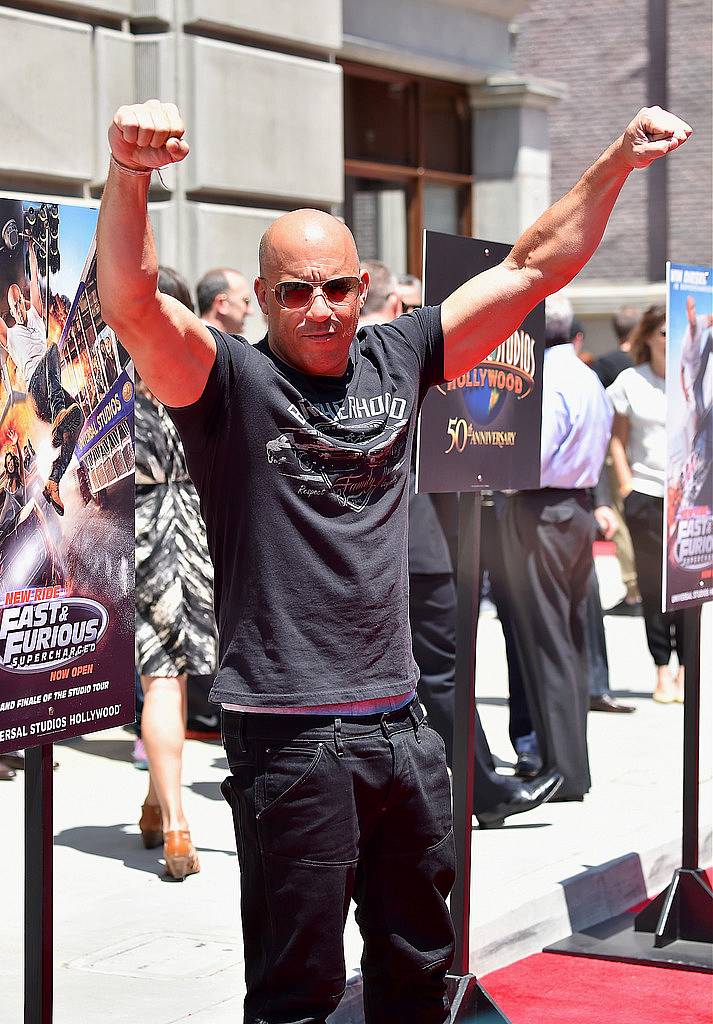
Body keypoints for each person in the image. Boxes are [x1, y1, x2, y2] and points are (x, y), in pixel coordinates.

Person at [97, 98, 690, 1024]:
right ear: (261, 299)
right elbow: (132, 304)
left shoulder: (399, 352)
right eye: (294, 292)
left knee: (417, 966)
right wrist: (130, 171)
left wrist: (616, 156)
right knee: (296, 992)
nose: (320, 309)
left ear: (362, 282)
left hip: (401, 726)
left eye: (335, 286)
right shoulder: (230, 383)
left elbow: (532, 265)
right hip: (289, 738)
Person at [360, 262, 563, 823]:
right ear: (398, 306)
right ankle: (481, 789)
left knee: (421, 677)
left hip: (397, 544)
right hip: (415, 545)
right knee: (442, 672)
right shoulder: (401, 360)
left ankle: (469, 781)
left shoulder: (347, 360)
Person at [501, 294, 614, 801]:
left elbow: (531, 457)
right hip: (576, 509)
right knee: (568, 639)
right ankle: (572, 765)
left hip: (543, 510)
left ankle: (562, 770)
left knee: (548, 641)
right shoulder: (586, 374)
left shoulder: (550, 380)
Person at [134, 265, 218, 880]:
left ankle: (176, 820)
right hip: (193, 524)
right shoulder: (199, 370)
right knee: (177, 678)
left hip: (136, 527)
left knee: (159, 681)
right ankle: (158, 806)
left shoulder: (112, 380)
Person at [607, 305, 686, 704]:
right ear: (648, 337)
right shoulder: (629, 382)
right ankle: (660, 669)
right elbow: (617, 439)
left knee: (690, 588)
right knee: (653, 588)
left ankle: (684, 670)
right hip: (646, 495)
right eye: (664, 333)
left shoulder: (699, 380)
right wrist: (625, 486)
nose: (671, 341)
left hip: (689, 500)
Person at [0, 241, 83, 516]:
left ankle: (53, 482)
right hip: (37, 393)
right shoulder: (9, 335)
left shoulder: (35, 317)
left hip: (52, 393)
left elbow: (35, 282)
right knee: (52, 349)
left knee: (78, 417)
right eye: (14, 305)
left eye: (20, 301)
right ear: (10, 311)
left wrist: (33, 253)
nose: (20, 307)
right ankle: (60, 415)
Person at [197, 266, 254, 335]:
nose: (251, 311)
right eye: (246, 301)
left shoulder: (195, 336)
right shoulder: (202, 340)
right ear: (222, 303)